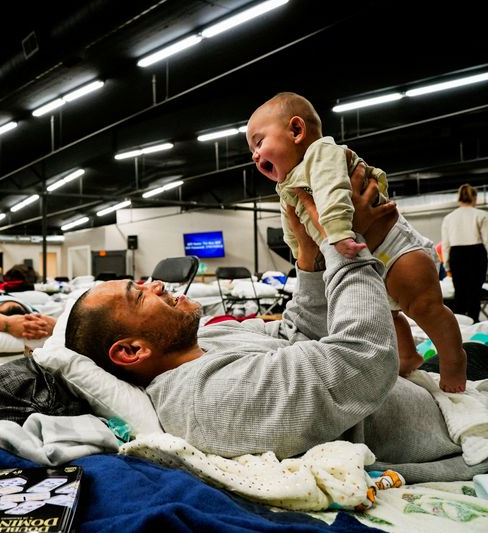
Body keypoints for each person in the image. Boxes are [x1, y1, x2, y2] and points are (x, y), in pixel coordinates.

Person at [64, 173, 488, 483]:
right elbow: (362, 361)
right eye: (140, 295)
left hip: (439, 390)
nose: (155, 283)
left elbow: (301, 337)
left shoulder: (208, 337)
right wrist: (346, 239)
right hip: (449, 426)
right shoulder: (204, 400)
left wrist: (309, 252)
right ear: (131, 351)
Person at [246, 92, 466, 392]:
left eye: (259, 142)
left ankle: (454, 360)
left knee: (425, 307)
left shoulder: (321, 154)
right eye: (252, 150)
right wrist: (301, 254)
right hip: (365, 260)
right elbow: (293, 229)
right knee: (382, 317)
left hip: (396, 249)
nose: (255, 155)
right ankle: (408, 356)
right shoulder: (288, 186)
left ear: (296, 131)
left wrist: (337, 233)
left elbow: (335, 193)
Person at [441, 184, 488, 323]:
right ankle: (473, 322)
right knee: (474, 294)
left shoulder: (449, 218)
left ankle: (459, 326)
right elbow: (487, 241)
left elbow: (446, 245)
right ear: (475, 198)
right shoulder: (482, 215)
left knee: (459, 295)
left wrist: (448, 266)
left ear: (459, 198)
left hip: (457, 255)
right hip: (476, 254)